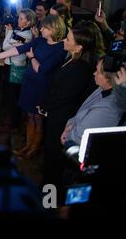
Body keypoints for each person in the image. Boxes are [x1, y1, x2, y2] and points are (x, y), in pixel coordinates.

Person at [0, 15, 67, 159]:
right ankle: (28, 146)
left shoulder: (61, 48)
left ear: (54, 29)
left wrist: (32, 57)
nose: (40, 29)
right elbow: (19, 50)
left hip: (42, 86)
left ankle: (34, 148)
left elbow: (42, 69)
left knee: (38, 118)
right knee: (30, 116)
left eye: (45, 27)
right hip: (29, 82)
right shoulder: (40, 40)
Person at [39, 25, 97, 187]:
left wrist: (46, 106)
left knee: (54, 156)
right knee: (49, 154)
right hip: (55, 113)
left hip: (62, 118)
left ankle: (49, 198)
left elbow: (65, 96)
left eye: (69, 39)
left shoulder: (81, 68)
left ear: (79, 47)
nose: (65, 40)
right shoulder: (71, 58)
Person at [61, 57, 123, 146]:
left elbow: (79, 137)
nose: (94, 74)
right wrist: (69, 125)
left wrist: (67, 134)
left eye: (98, 72)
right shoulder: (101, 89)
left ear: (109, 78)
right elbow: (81, 112)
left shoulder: (109, 108)